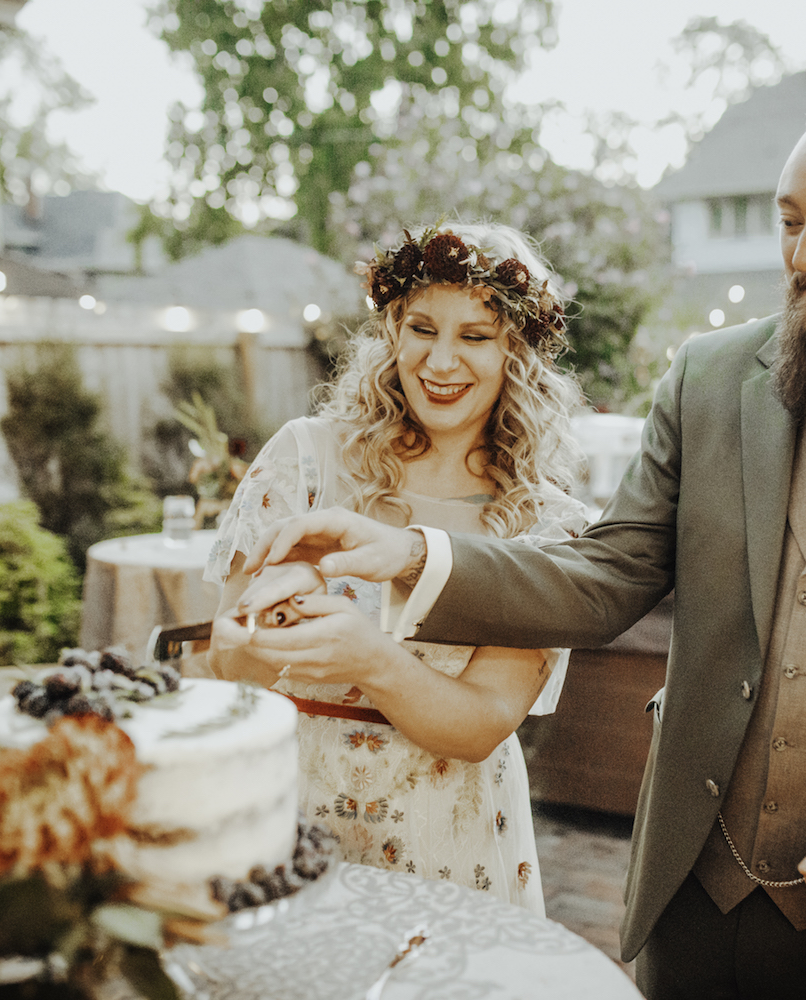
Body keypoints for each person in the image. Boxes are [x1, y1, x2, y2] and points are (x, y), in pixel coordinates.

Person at [237, 79, 806, 1000]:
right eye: (790, 221)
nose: (804, 256)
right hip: (702, 898)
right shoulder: (709, 380)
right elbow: (606, 574)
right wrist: (417, 556)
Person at [202, 221, 589, 915]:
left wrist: (369, 658)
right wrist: (264, 622)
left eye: (475, 336)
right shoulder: (306, 460)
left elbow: (481, 725)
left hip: (450, 839)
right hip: (288, 816)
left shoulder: (546, 524)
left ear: (517, 355)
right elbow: (225, 666)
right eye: (421, 329)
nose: (440, 362)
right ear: (391, 333)